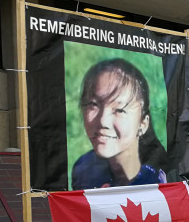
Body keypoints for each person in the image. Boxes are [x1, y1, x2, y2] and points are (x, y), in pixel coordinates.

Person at [71, 59, 169, 190]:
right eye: (93, 104)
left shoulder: (159, 182)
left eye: (119, 110)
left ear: (143, 123)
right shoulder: (83, 170)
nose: (103, 121)